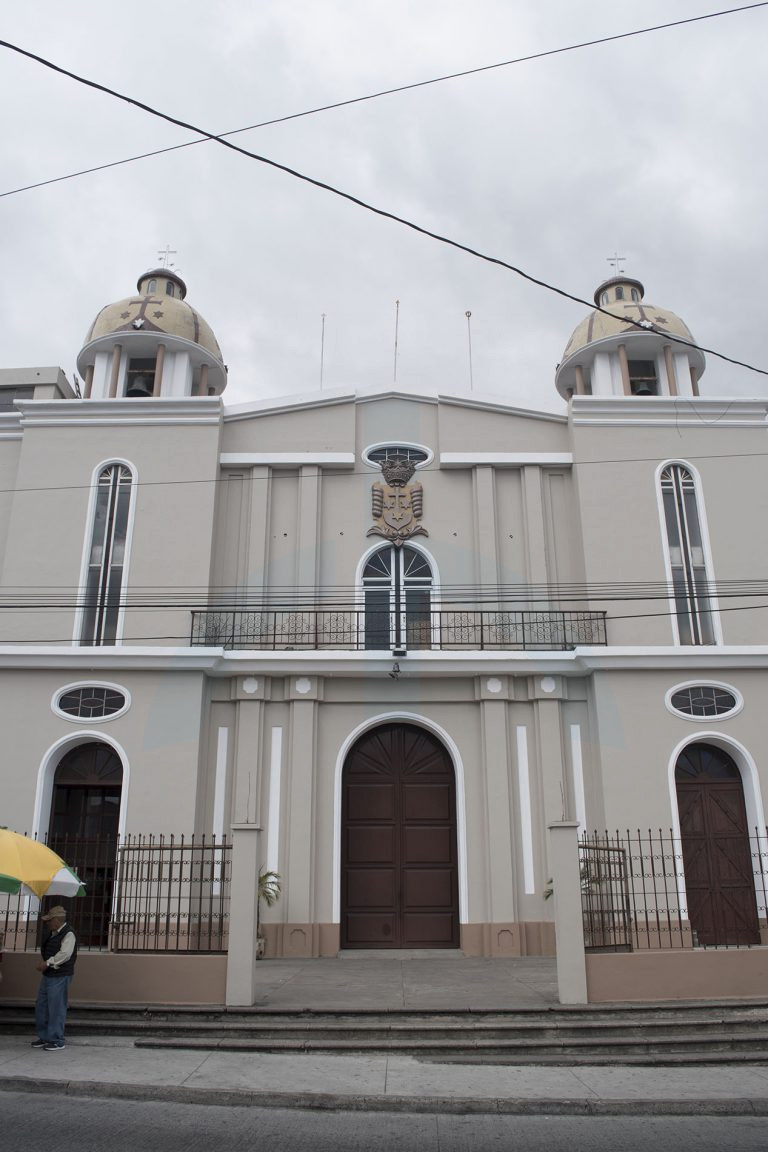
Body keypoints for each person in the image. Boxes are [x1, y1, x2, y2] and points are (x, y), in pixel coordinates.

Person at [31, 905, 77, 1052]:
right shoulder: (53, 933)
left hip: (60, 975)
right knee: (42, 1005)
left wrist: (47, 963)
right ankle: (45, 1036)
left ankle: (57, 1039)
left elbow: (65, 955)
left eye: (49, 921)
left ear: (56, 920)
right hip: (49, 974)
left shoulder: (68, 934)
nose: (47, 923)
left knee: (56, 1007)